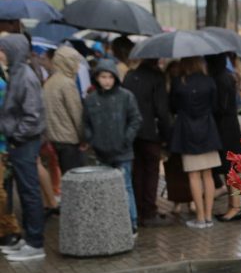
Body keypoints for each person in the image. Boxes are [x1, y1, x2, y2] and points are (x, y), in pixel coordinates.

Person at [0, 34, 47, 261]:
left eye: (3, 50)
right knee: (25, 190)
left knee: (29, 192)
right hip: (18, 141)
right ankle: (28, 239)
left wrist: (17, 136)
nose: (0, 54)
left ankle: (35, 243)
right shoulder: (17, 73)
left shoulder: (25, 76)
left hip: (24, 142)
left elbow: (32, 114)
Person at [83, 59, 143, 234]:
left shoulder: (126, 96)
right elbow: (86, 122)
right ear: (97, 78)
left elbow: (135, 119)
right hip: (101, 152)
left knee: (126, 187)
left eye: (110, 77)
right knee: (105, 189)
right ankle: (109, 222)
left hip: (123, 151)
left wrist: (127, 138)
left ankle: (132, 223)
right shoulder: (91, 99)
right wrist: (91, 138)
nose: (107, 80)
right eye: (103, 76)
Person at [169, 56, 222, 228]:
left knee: (193, 175)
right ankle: (208, 216)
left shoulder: (179, 82)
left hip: (186, 131)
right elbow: (215, 105)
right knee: (208, 174)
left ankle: (199, 217)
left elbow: (173, 106)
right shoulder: (209, 81)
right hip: (208, 129)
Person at [124, 58, 173, 227]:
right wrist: (167, 136)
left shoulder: (130, 76)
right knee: (151, 171)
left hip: (132, 131)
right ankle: (149, 211)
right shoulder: (156, 77)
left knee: (137, 171)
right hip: (151, 131)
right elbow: (161, 109)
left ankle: (136, 208)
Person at [206, 53, 241, 222]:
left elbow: (220, 106)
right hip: (230, 127)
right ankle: (232, 206)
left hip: (225, 129)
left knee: (231, 169)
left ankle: (235, 207)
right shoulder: (227, 77)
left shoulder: (220, 79)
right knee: (231, 168)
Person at [42, 45, 85, 175]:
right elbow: (76, 113)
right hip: (69, 139)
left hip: (54, 137)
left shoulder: (50, 81)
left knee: (65, 177)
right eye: (75, 61)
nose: (77, 66)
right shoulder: (67, 83)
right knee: (75, 179)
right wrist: (84, 137)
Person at [0, 46, 22, 247]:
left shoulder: (2, 85)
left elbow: (7, 115)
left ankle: (9, 230)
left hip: (1, 146)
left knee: (1, 192)